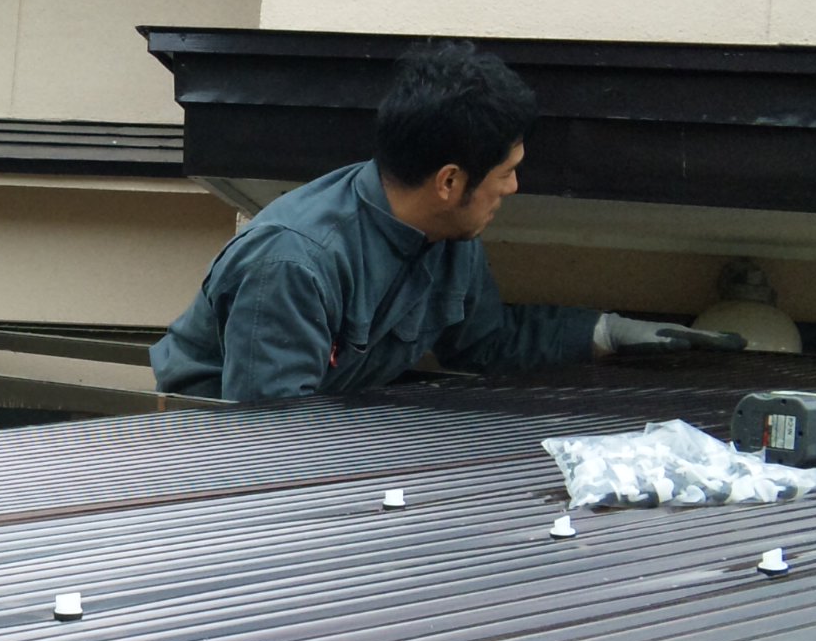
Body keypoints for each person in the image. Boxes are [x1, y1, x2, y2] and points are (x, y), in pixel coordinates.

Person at [152, 39, 738, 402]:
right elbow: (266, 434)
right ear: (450, 181)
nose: (512, 187)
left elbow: (487, 343)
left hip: (330, 434)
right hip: (204, 463)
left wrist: (611, 334)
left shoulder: (449, 233)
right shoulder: (296, 260)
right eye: (505, 172)